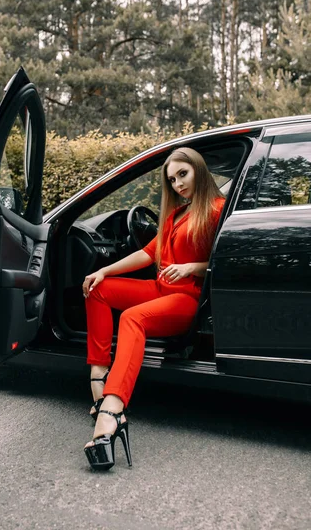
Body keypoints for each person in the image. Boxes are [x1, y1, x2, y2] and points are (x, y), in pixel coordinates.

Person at [82, 147, 225, 470]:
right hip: (159, 289)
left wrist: (192, 267)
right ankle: (98, 376)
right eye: (172, 179)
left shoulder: (217, 209)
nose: (177, 184)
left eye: (182, 175)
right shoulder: (176, 214)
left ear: (199, 170)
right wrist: (104, 270)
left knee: (133, 318)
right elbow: (148, 254)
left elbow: (226, 260)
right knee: (97, 289)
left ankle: (112, 410)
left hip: (186, 298)